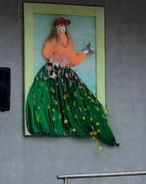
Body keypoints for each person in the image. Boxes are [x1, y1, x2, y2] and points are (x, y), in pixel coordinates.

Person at [24, 17, 118, 146]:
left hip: (66, 73)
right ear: (56, 28)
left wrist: (84, 53)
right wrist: (57, 59)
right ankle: (53, 124)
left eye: (64, 26)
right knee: (50, 97)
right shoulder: (53, 40)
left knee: (73, 98)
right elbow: (46, 52)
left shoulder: (69, 42)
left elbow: (73, 59)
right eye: (61, 26)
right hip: (52, 72)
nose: (63, 28)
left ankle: (74, 123)